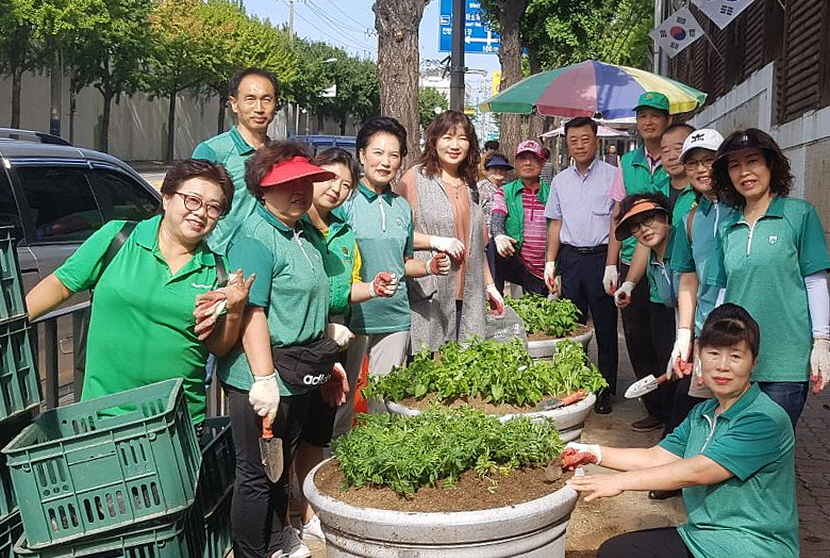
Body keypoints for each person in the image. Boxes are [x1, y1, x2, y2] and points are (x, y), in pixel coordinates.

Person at [25, 159, 250, 427]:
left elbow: (217, 346)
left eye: (214, 207)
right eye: (192, 200)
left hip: (178, 423)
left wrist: (235, 309)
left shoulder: (216, 270)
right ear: (166, 198)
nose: (201, 213)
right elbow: (61, 284)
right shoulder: (117, 238)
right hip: (103, 417)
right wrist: (12, 322)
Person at [567, 303, 799, 558]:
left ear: (753, 362)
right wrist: (592, 452)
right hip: (701, 538)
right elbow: (656, 457)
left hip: (752, 546)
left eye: (735, 356)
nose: (722, 365)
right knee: (620, 552)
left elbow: (698, 471)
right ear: (699, 356)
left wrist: (621, 482)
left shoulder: (763, 419)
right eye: (713, 353)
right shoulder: (703, 414)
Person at [219, 142, 348, 558]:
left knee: (280, 464)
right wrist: (262, 378)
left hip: (297, 370)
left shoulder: (301, 231)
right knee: (257, 473)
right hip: (263, 375)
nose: (300, 191)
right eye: (287, 184)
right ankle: (251, 550)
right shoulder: (255, 237)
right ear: (261, 188)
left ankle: (278, 537)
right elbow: (253, 312)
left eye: (306, 182)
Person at [292, 147, 398, 542]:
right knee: (290, 427)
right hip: (294, 342)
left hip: (334, 338)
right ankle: (288, 508)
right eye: (329, 178)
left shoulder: (342, 232)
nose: (336, 189)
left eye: (346, 184)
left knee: (320, 426)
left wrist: (371, 288)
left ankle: (307, 509)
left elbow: (342, 286)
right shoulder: (292, 225)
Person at [334, 117, 448, 437]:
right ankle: (333, 465)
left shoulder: (401, 207)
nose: (386, 162)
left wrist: (427, 267)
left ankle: (374, 469)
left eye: (394, 155)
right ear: (361, 155)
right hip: (351, 316)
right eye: (378, 152)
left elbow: (404, 262)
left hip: (395, 316)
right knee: (341, 398)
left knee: (383, 401)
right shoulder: (344, 202)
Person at [708, 128, 830, 426]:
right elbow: (722, 293)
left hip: (785, 362)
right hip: (735, 360)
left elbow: (815, 281)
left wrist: (822, 342)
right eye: (734, 165)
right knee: (734, 445)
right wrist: (707, 343)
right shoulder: (727, 226)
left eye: (752, 161)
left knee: (772, 447)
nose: (744, 172)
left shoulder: (798, 215)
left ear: (770, 165)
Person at [398, 110, 504, 353]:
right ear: (434, 141)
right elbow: (397, 237)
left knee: (463, 367)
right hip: (429, 293)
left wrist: (490, 286)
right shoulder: (415, 179)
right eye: (447, 137)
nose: (455, 145)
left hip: (468, 294)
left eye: (463, 138)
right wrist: (435, 241)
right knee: (429, 365)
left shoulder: (471, 185)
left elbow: (476, 244)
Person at [605, 91, 672, 432]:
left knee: (667, 340)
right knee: (637, 339)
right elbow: (617, 214)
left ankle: (674, 411)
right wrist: (611, 264)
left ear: (667, 120)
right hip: (634, 258)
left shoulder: (678, 160)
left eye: (655, 116)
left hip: (666, 263)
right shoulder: (628, 163)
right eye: (642, 116)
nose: (647, 122)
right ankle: (655, 408)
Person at [543, 117, 618, 414]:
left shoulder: (614, 176)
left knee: (606, 329)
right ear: (567, 143)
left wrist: (612, 264)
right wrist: (551, 262)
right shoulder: (560, 181)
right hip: (572, 260)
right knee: (571, 329)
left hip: (601, 258)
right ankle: (575, 386)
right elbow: (555, 223)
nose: (580, 144)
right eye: (574, 140)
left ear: (596, 140)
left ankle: (605, 389)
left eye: (585, 138)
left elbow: (617, 223)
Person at [613, 194, 680, 438]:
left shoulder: (683, 249)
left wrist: (687, 339)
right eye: (636, 227)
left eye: (650, 220)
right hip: (672, 318)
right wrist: (628, 284)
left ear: (665, 216)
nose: (644, 230)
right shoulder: (653, 258)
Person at [193, 68, 279, 253]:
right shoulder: (212, 151)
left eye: (266, 99)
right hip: (222, 262)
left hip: (270, 259)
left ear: (275, 105)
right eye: (250, 99)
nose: (259, 108)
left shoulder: (279, 156)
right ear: (234, 104)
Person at [668, 129, 731, 376]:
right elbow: (688, 278)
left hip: (745, 335)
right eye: (692, 163)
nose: (701, 169)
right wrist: (684, 333)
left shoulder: (745, 210)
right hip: (707, 334)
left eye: (709, 160)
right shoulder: (690, 220)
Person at [490, 139, 550, 296]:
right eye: (523, 158)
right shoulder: (505, 192)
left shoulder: (553, 193)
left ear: (542, 162)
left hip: (547, 268)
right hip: (519, 266)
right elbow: (497, 217)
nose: (528, 163)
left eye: (534, 158)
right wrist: (499, 235)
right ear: (516, 162)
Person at [478, 153, 513, 278]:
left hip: (502, 241)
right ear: (487, 170)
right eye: (494, 168)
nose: (499, 171)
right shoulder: (481, 188)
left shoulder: (506, 189)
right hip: (485, 241)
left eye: (502, 168)